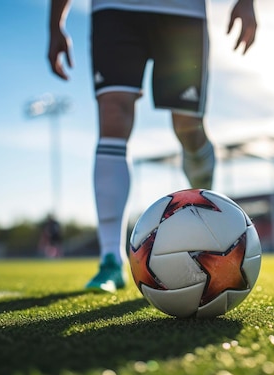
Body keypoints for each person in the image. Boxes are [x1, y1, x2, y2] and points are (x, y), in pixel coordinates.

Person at [47, 0, 258, 292]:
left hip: (181, 10)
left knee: (188, 127)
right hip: (114, 9)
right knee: (113, 115)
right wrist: (55, 22)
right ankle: (110, 257)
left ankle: (210, 227)